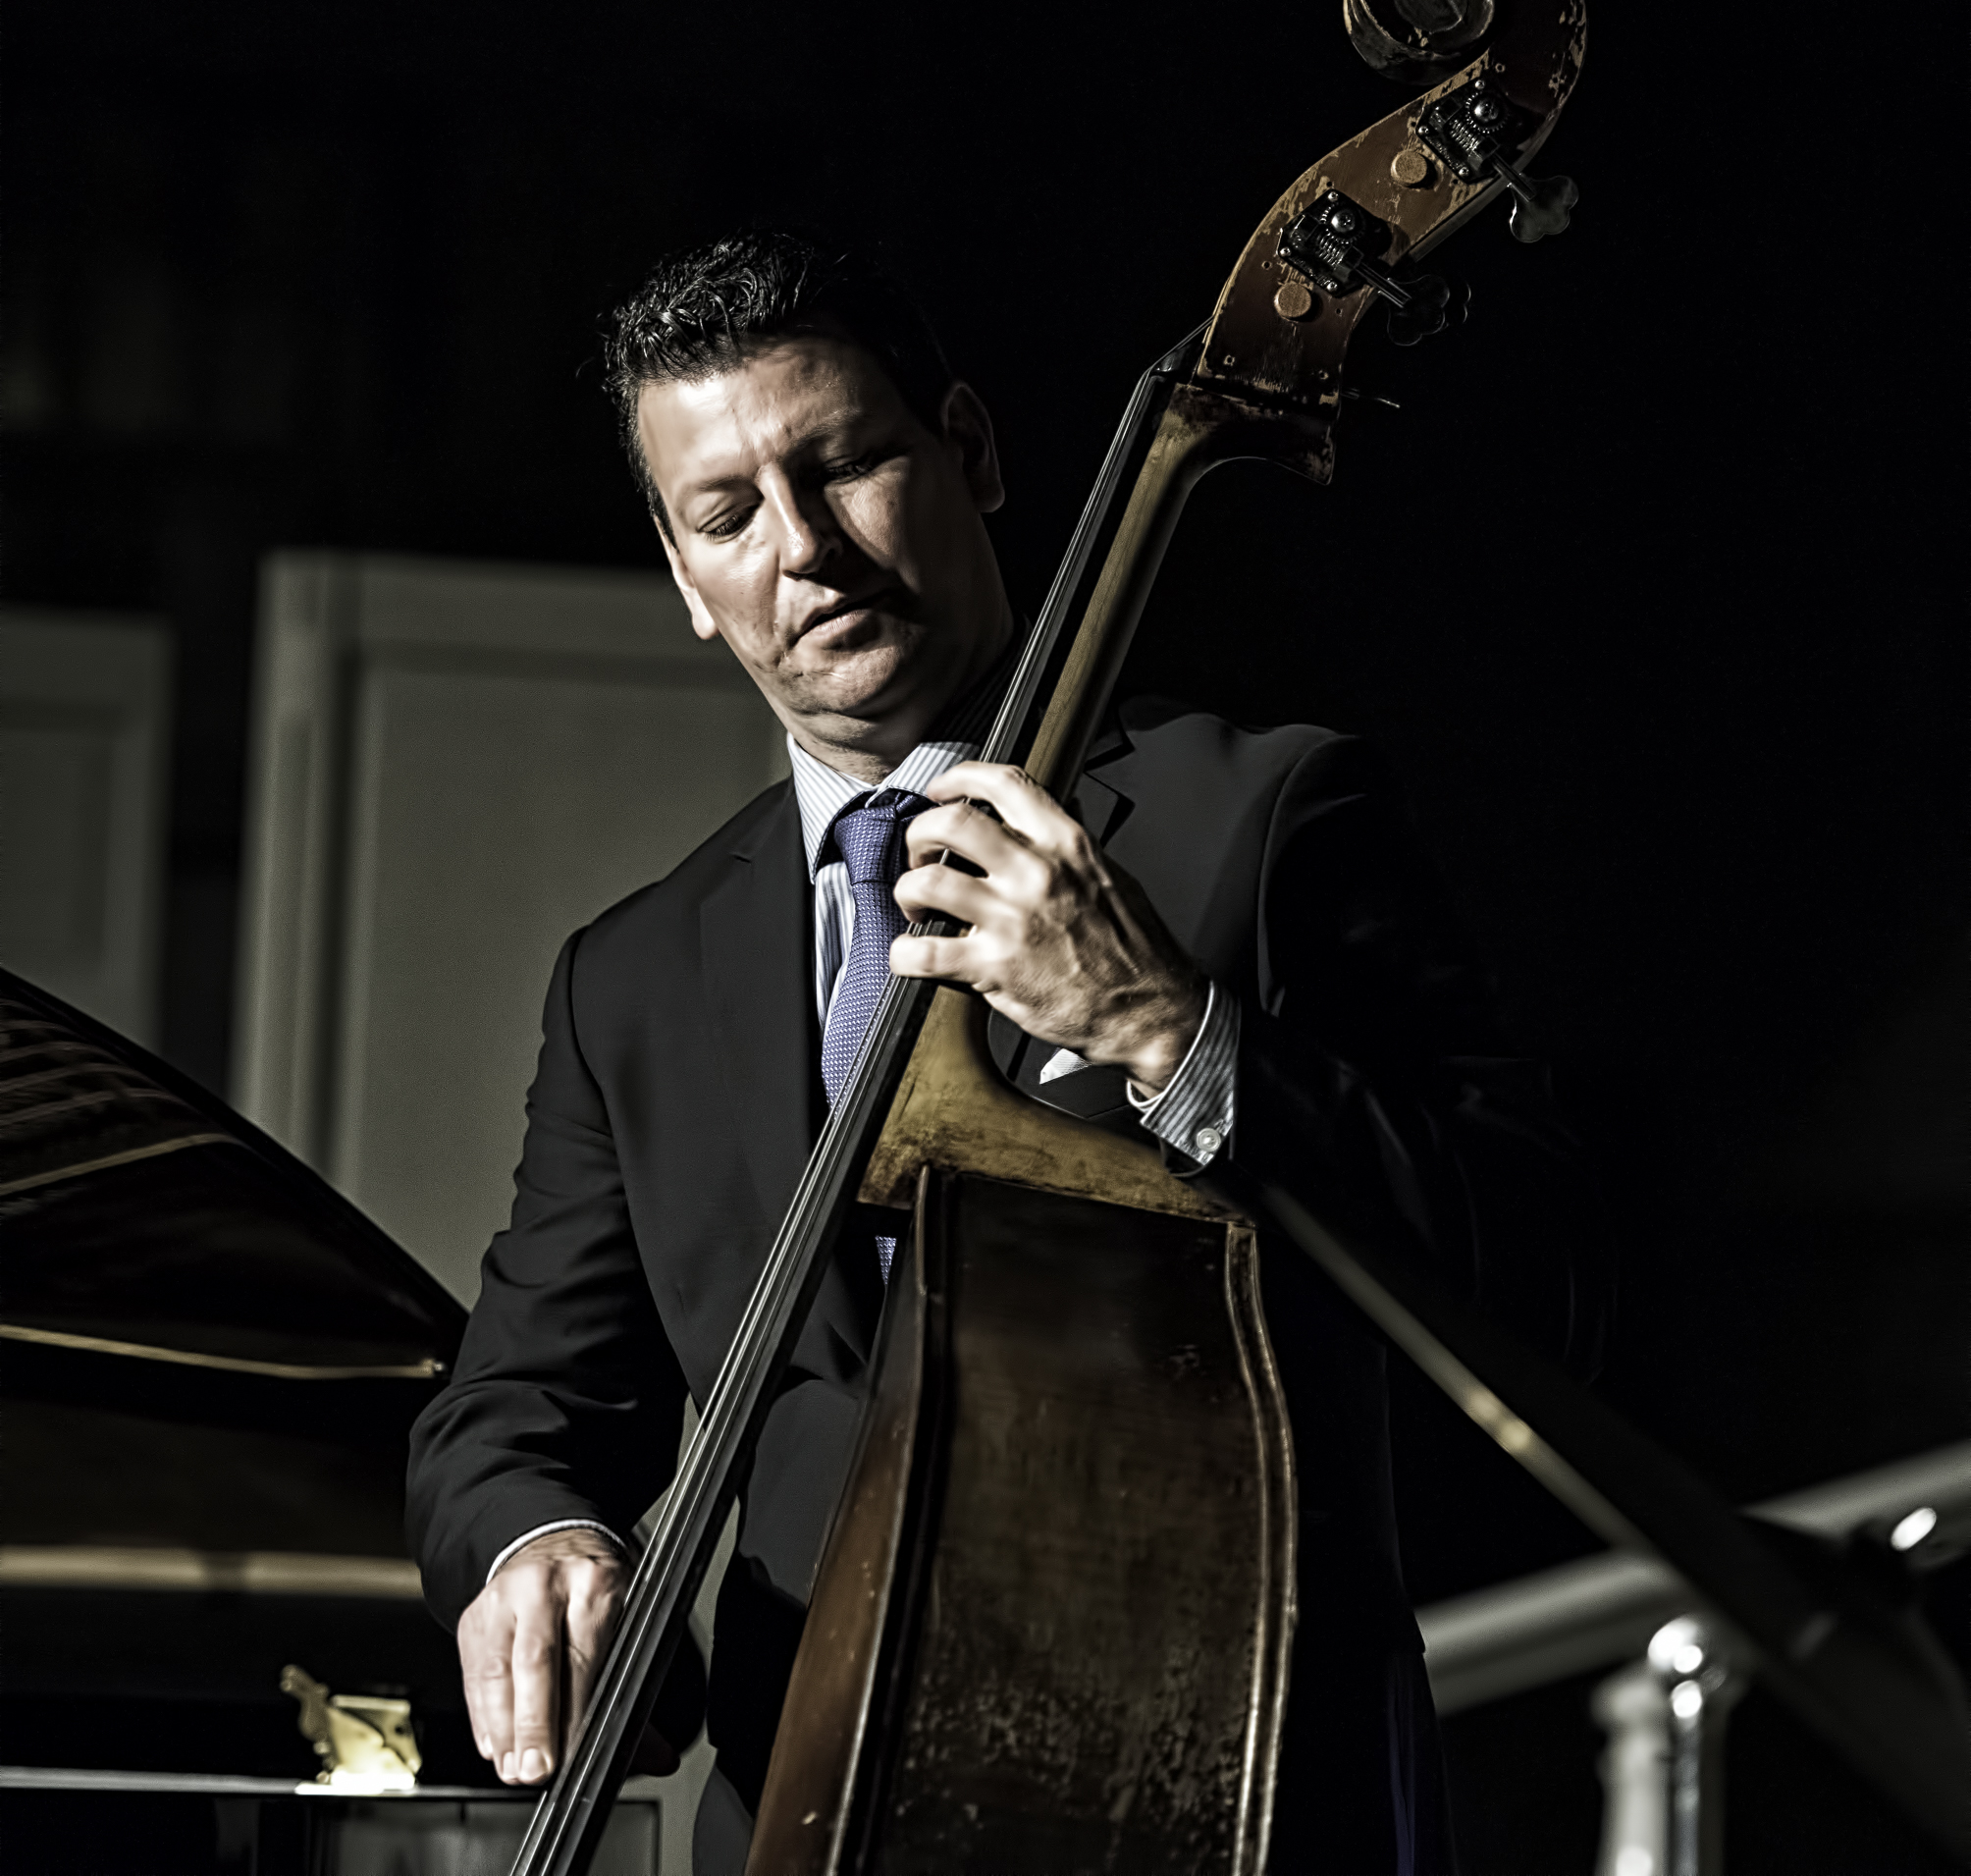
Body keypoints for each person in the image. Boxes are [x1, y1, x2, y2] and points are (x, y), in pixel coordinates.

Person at [406, 229, 1600, 1875]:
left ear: (966, 449)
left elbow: (1528, 1255)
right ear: (685, 579)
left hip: (1219, 1792)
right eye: (728, 514)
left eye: (845, 464)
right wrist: (533, 1536)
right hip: (804, 1815)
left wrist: (1168, 1031)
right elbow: (516, 1402)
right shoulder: (633, 976)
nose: (803, 549)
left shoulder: (1263, 818)